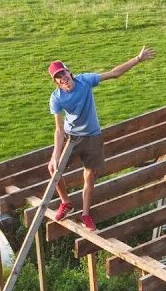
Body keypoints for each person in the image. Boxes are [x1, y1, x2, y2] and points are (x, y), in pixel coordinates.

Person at [47, 46, 155, 230]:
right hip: (72, 137)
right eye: (58, 78)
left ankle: (86, 214)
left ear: (69, 73)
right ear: (56, 83)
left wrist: (138, 58)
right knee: (54, 170)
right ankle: (66, 202)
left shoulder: (85, 81)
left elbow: (114, 74)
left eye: (63, 74)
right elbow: (58, 130)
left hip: (92, 136)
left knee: (90, 175)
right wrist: (55, 155)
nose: (63, 79)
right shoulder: (56, 98)